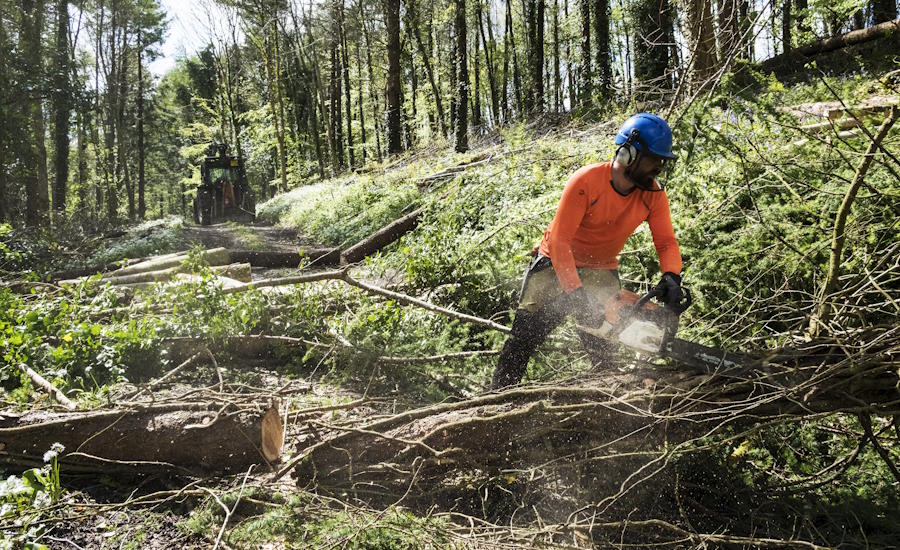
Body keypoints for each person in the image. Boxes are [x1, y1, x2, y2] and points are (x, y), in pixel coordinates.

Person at [490, 113, 686, 390]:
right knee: (524, 338)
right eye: (655, 159)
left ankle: (603, 408)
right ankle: (496, 398)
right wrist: (575, 292)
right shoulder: (586, 182)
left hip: (601, 267)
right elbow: (560, 242)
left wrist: (671, 277)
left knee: (605, 345)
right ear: (630, 154)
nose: (659, 167)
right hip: (556, 262)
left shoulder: (653, 194)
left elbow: (666, 242)